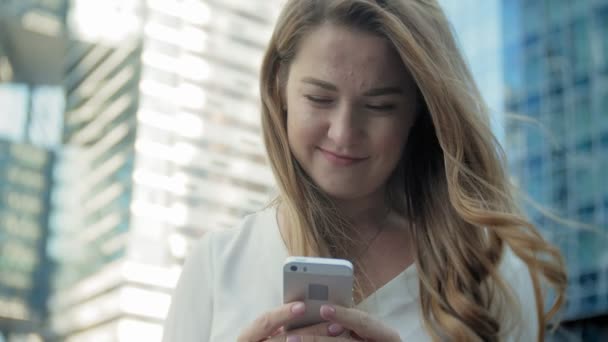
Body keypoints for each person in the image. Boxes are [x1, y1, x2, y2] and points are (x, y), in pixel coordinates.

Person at [162, 0, 567, 341]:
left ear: (420, 112)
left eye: (380, 105)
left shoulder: (492, 273)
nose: (343, 133)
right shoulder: (217, 265)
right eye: (319, 98)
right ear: (279, 87)